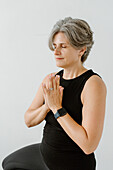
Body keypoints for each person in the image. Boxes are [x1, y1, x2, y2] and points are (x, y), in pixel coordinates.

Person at [2, 17, 107, 170]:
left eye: (63, 46)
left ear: (82, 49)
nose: (56, 52)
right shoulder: (51, 79)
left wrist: (57, 108)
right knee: (8, 163)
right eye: (54, 46)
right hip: (45, 155)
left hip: (71, 164)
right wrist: (47, 106)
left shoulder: (93, 84)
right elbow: (28, 120)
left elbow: (88, 145)